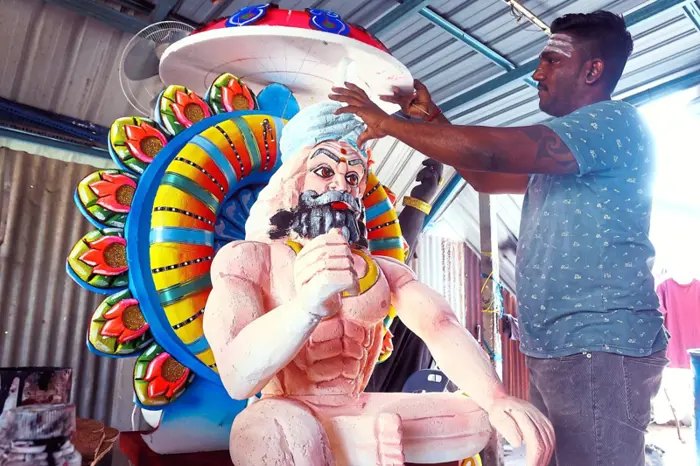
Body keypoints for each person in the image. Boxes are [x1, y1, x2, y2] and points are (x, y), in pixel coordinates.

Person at [329, 10, 668, 466]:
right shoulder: (569, 153)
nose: (537, 73)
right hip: (563, 347)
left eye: (551, 61)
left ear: (592, 71)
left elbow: (492, 152)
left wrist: (388, 124)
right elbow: (486, 175)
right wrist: (431, 117)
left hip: (598, 345)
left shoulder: (612, 123)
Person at [203, 101, 554, 465]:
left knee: (476, 419)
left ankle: (359, 439)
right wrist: (305, 307)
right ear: (294, 181)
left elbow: (439, 325)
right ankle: (361, 441)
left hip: (358, 404)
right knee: (279, 432)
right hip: (282, 411)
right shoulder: (251, 259)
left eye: (353, 177)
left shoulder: (384, 271)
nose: (340, 185)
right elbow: (237, 379)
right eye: (324, 171)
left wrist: (497, 398)